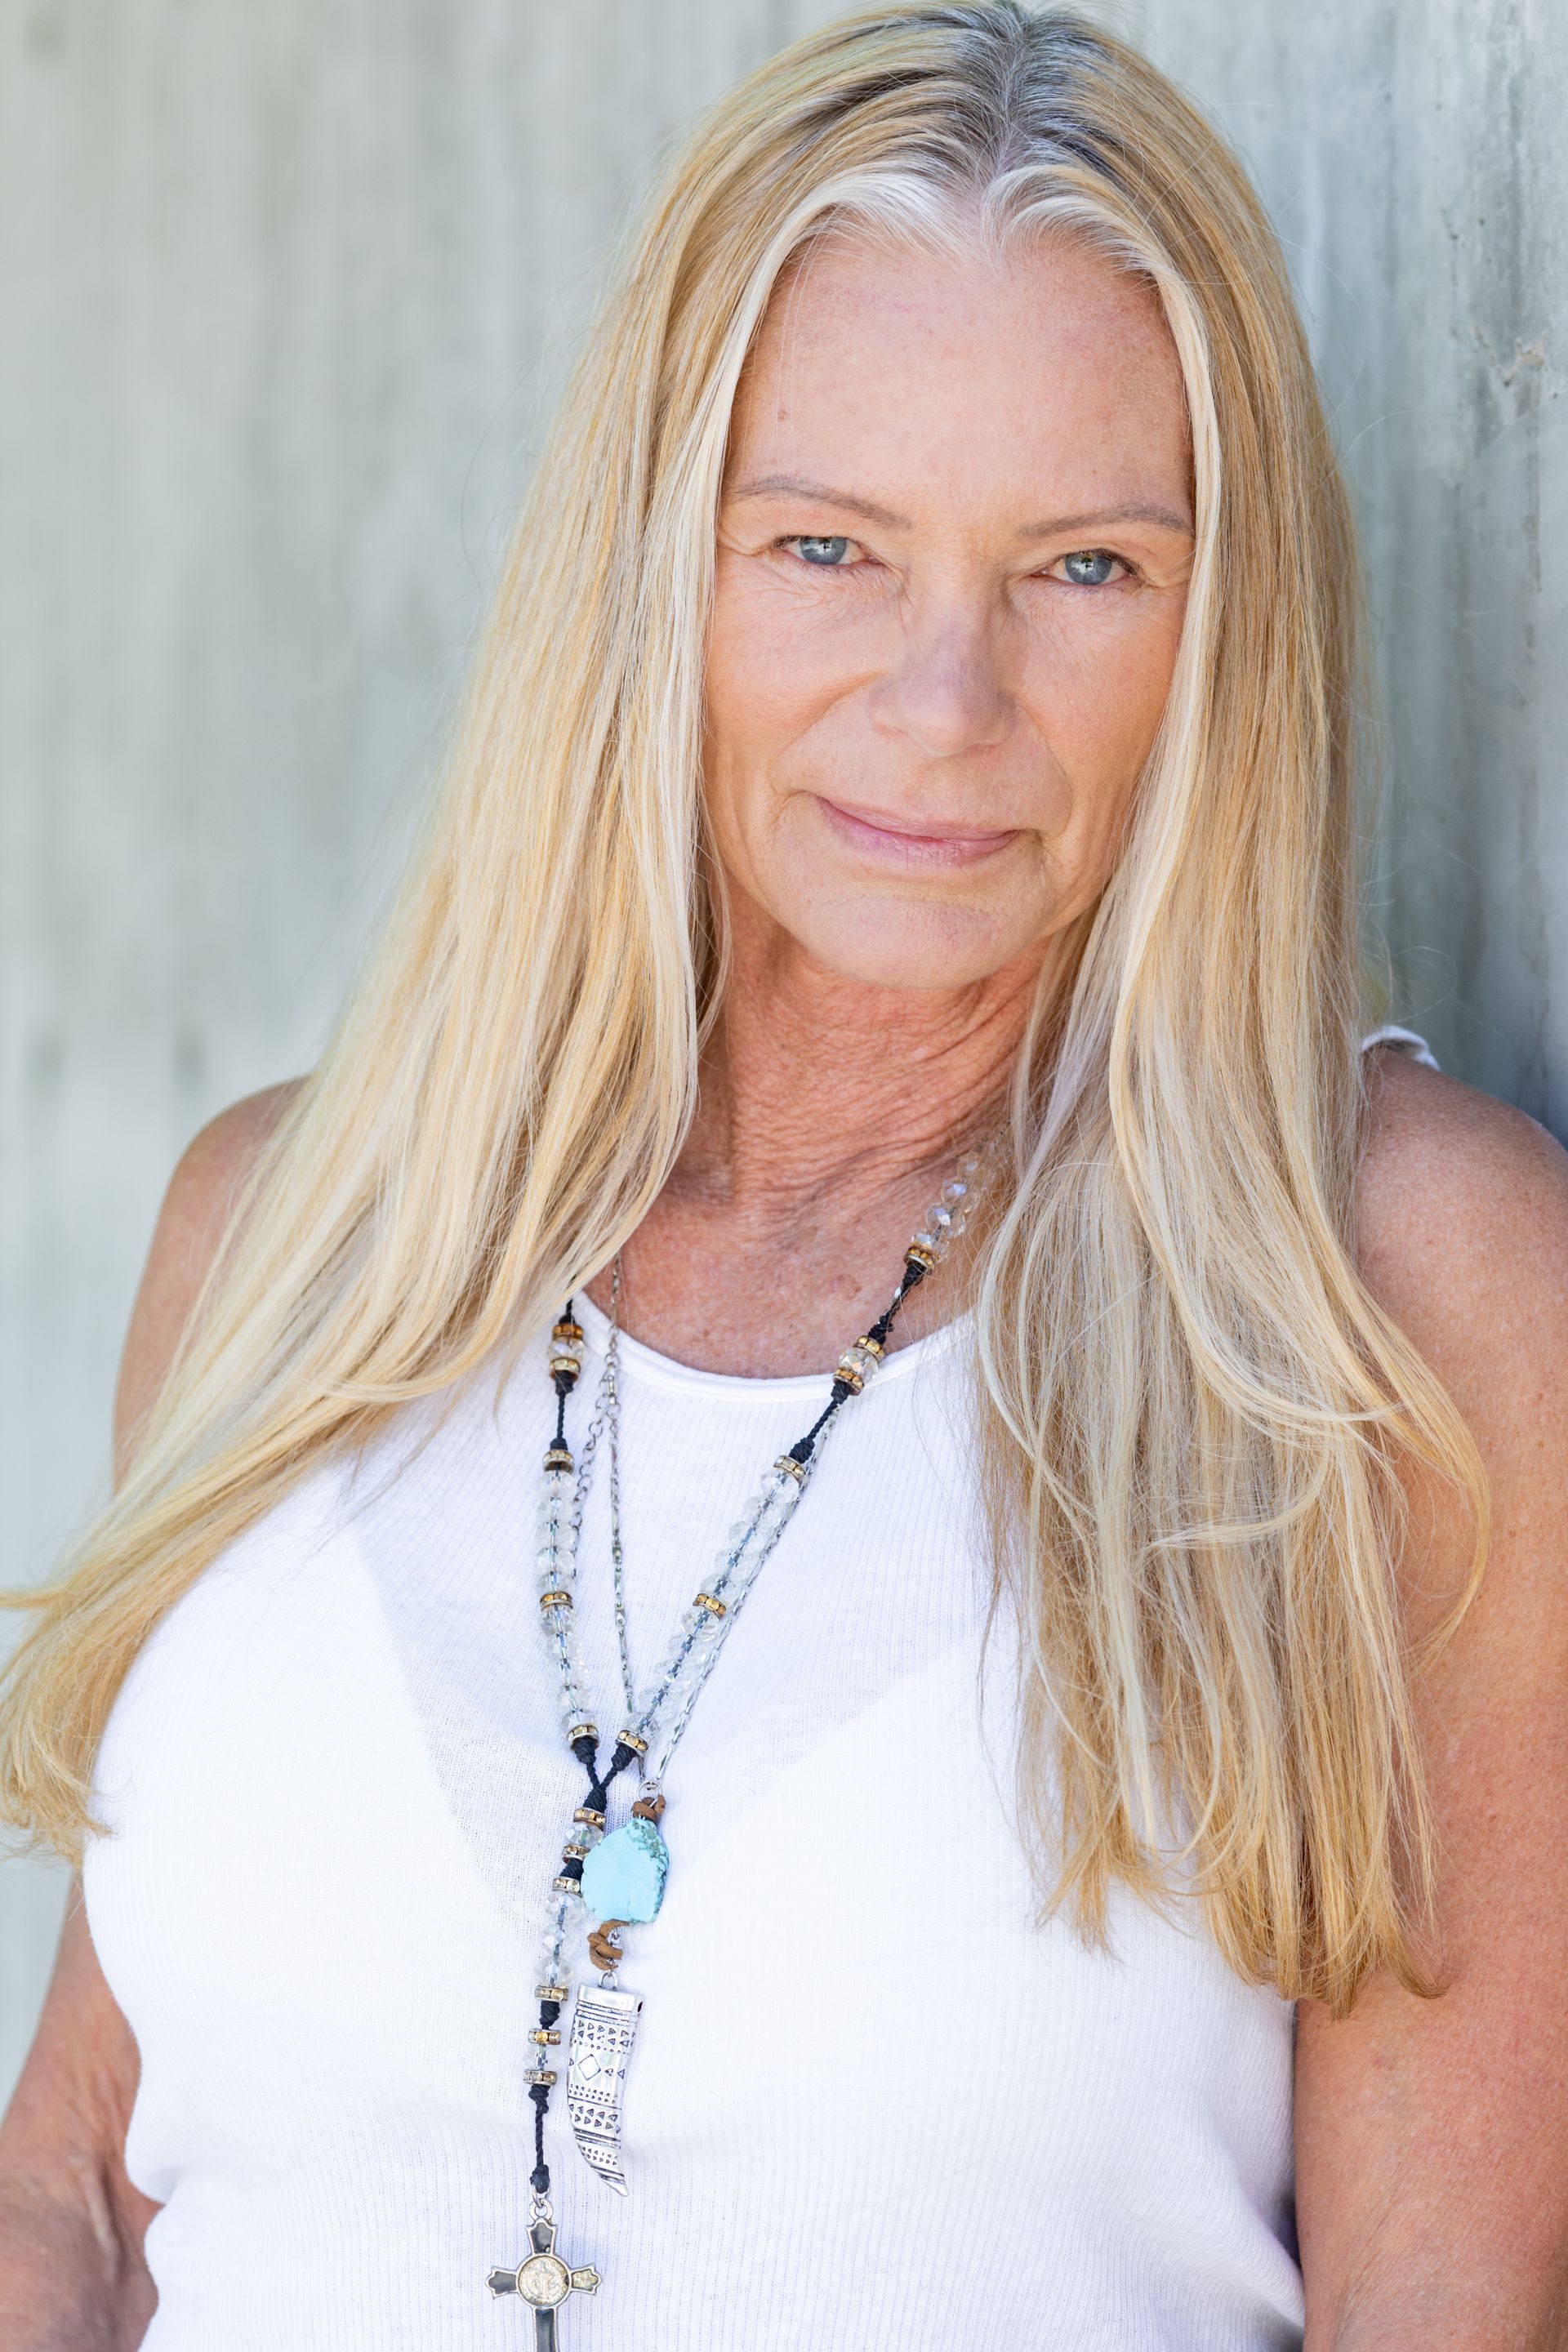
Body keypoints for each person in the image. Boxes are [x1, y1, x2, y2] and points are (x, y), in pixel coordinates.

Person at [3, 3, 1567, 2345]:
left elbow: (1446, 2297)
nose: (945, 702)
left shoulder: (1391, 1288)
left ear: (1224, 620)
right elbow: (81, 2197)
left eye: (1089, 568)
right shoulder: (289, 1233)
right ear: (654, 569)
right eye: (826, 545)